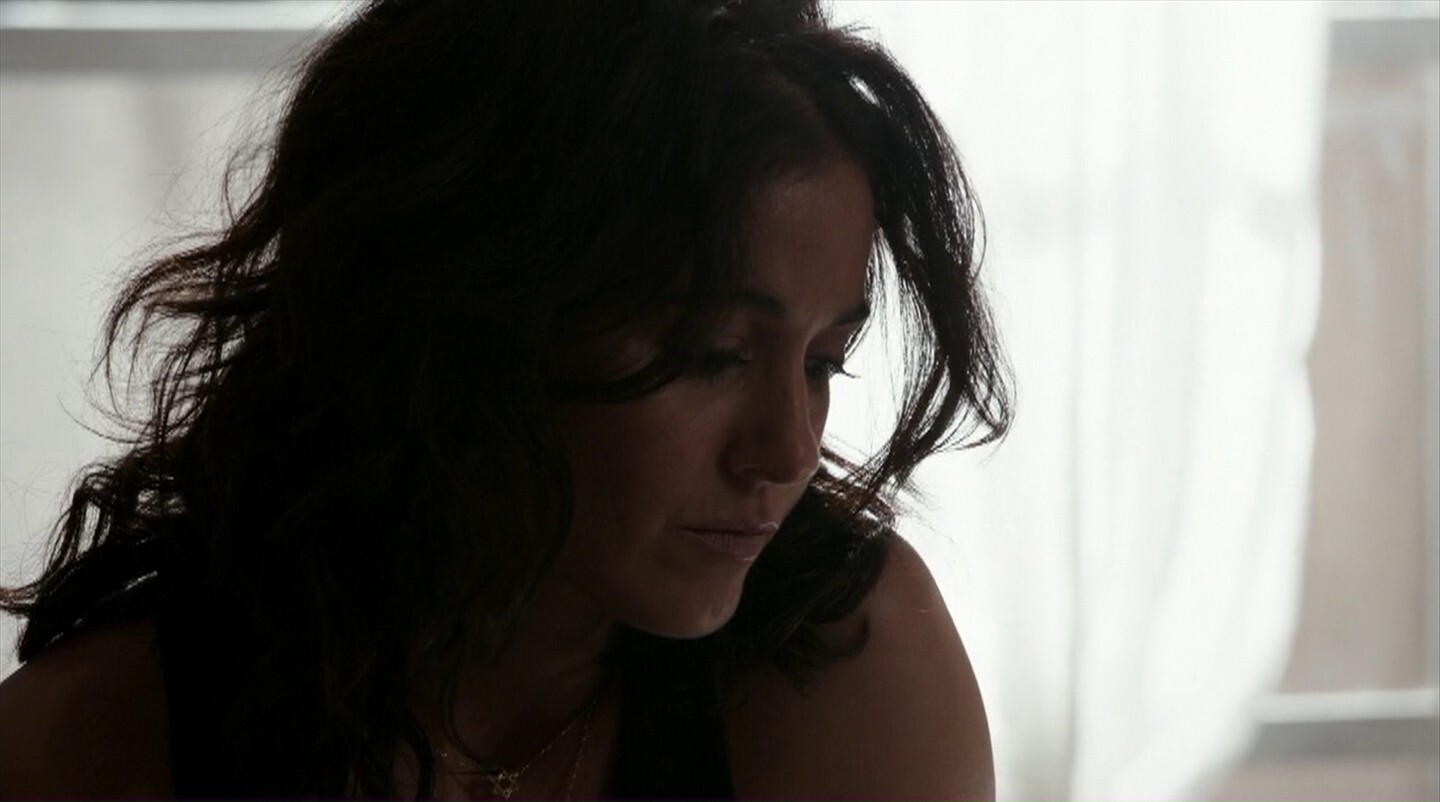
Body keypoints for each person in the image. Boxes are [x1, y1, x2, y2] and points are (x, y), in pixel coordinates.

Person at [0, 0, 1011, 797]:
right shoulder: (96, 740)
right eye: (713, 355)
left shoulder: (846, 659)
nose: (787, 451)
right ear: (473, 312)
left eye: (826, 361)